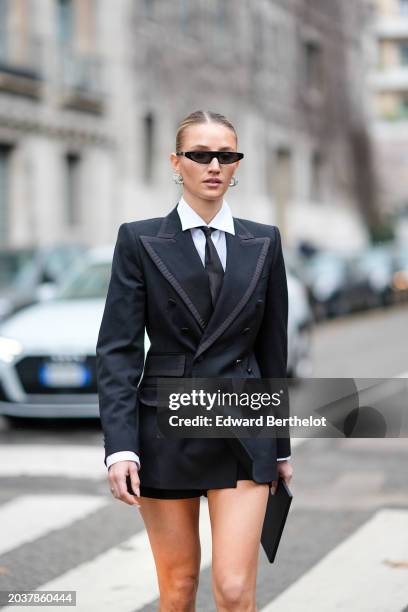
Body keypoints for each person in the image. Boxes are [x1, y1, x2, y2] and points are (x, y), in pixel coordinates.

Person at [96, 109, 293, 611]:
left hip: (243, 429)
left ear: (236, 165)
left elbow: (273, 353)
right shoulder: (139, 240)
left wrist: (282, 447)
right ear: (175, 162)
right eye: (200, 154)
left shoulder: (264, 241)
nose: (213, 165)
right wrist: (120, 448)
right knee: (179, 587)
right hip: (166, 431)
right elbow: (118, 351)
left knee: (232, 588)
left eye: (226, 155)